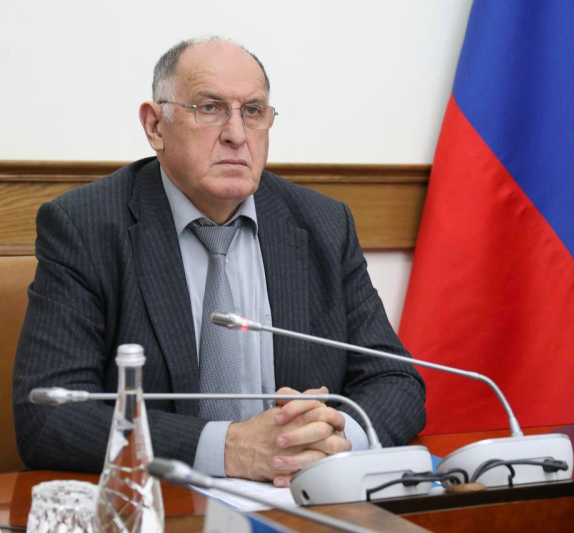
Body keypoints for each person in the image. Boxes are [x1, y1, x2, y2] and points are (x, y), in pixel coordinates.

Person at [12, 37, 426, 486]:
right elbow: (48, 416)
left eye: (253, 111)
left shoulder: (323, 224)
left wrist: (333, 439)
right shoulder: (85, 227)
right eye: (209, 108)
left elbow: (395, 381)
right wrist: (229, 448)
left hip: (298, 498)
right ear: (155, 126)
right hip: (169, 502)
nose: (236, 134)